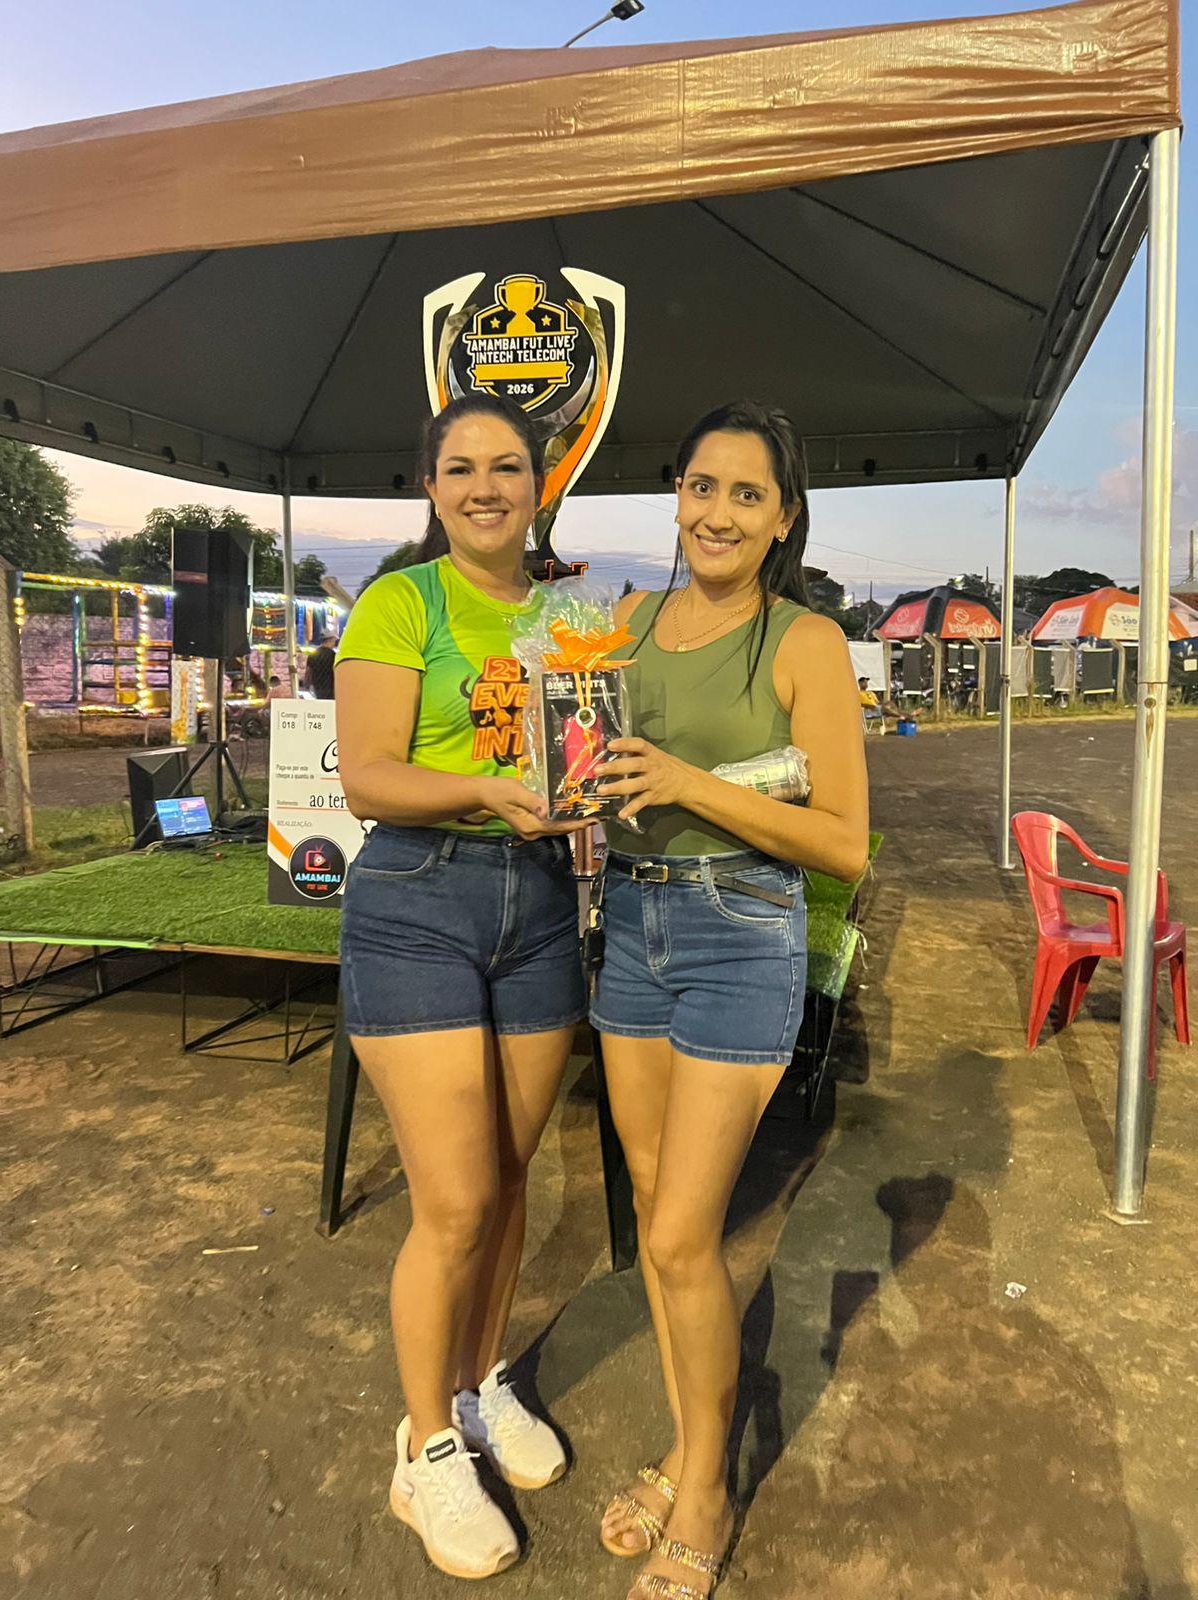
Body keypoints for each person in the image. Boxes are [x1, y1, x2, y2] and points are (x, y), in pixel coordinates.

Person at [591, 400, 869, 1600]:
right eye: (701, 486)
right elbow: (590, 769)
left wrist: (687, 780)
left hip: (741, 927)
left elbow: (843, 841)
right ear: (676, 494)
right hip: (629, 922)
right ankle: (688, 1443)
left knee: (676, 1236)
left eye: (747, 495)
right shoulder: (620, 623)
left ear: (783, 519)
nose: (717, 512)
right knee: (661, 1210)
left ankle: (705, 1489)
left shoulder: (803, 641)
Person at [335, 392, 588, 1580]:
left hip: (538, 902)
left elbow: (582, 750)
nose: (486, 487)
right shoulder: (403, 601)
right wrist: (487, 793)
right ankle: (425, 1444)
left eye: (508, 467)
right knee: (454, 1201)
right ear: (431, 487)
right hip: (418, 903)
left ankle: (481, 1382)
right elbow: (369, 778)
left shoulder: (566, 615)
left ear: (539, 485)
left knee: (515, 1176)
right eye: (462, 467)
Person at [305, 633, 338, 699]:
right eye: (334, 641)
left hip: (317, 685)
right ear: (330, 640)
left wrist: (307, 684)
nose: (334, 643)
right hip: (330, 686)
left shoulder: (313, 654)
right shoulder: (333, 655)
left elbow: (308, 671)